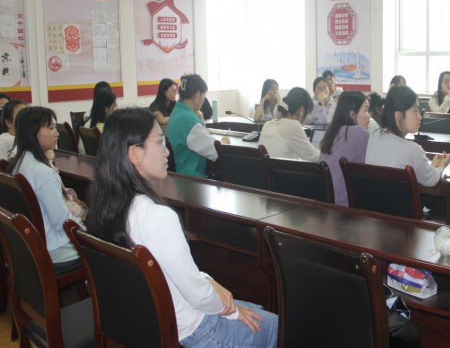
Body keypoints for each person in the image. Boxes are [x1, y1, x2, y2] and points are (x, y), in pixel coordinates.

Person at [85, 108, 278, 347]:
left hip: (144, 325)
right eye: (159, 142)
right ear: (134, 154)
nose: (167, 151)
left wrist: (209, 282)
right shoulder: (158, 217)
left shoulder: (103, 210)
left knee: (255, 310)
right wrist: (234, 311)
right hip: (194, 329)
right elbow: (199, 297)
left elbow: (182, 275)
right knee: (277, 326)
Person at [7, 107, 84, 263]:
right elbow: (62, 222)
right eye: (50, 128)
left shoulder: (19, 162)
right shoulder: (42, 172)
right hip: (56, 247)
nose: (57, 133)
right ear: (33, 132)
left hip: (31, 245)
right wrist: (86, 226)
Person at [366, 86, 450, 187]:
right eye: (415, 110)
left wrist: (431, 165)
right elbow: (432, 179)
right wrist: (442, 165)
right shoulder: (412, 150)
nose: (420, 116)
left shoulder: (374, 136)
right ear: (398, 115)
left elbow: (421, 173)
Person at [319, 91, 370, 207]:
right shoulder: (360, 133)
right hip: (345, 205)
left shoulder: (332, 132)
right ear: (352, 114)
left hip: (325, 202)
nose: (369, 115)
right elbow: (367, 173)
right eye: (366, 110)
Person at [166, 74, 223, 178]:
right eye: (204, 96)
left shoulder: (177, 111)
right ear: (197, 95)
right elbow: (215, 152)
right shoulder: (189, 119)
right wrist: (224, 142)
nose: (203, 100)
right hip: (190, 179)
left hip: (177, 175)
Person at [259, 87, 319, 161]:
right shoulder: (293, 125)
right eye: (308, 114)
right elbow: (314, 157)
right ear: (302, 110)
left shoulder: (267, 124)